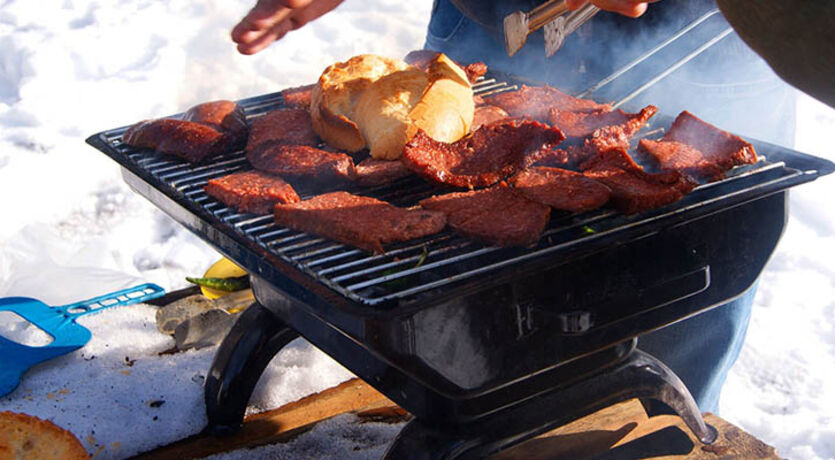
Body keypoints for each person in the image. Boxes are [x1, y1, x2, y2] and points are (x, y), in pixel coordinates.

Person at [228, 0, 797, 414]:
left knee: (676, 295)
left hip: (695, 42)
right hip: (490, 25)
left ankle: (654, 439)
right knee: (462, 314)